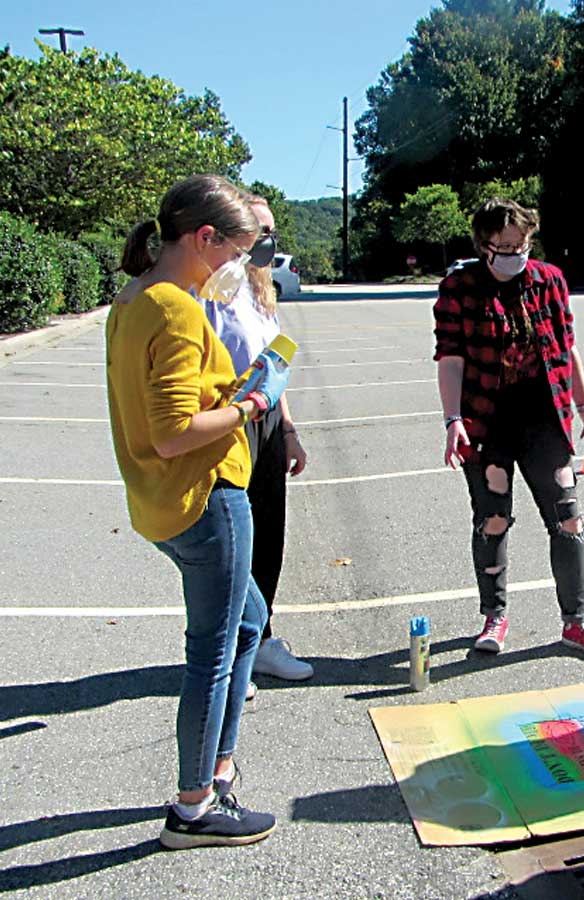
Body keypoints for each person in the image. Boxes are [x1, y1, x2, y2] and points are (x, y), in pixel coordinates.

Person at [108, 174, 289, 849]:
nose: (239, 267)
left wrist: (235, 388)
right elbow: (174, 430)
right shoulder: (177, 308)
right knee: (213, 650)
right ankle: (194, 806)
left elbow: (166, 408)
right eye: (235, 252)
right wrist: (254, 403)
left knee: (248, 620)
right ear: (202, 237)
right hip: (204, 496)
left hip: (163, 499)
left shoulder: (134, 297)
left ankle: (217, 761)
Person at [433, 198, 584, 657]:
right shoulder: (459, 287)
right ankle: (494, 617)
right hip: (486, 420)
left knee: (568, 516)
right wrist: (453, 420)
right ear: (484, 245)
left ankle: (577, 623)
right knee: (492, 519)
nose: (517, 253)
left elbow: (567, 347)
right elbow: (450, 358)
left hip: (544, 419)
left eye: (523, 244)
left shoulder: (549, 280)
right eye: (506, 246)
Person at [203, 192, 312, 684]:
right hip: (227, 421)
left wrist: (288, 430)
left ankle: (261, 640)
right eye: (259, 233)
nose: (267, 243)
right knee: (230, 544)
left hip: (266, 420)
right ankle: (228, 657)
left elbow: (276, 366)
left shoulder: (262, 290)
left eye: (272, 233)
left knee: (268, 535)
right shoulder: (210, 289)